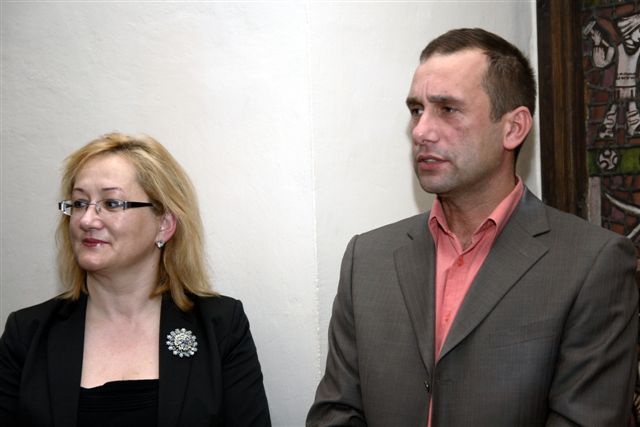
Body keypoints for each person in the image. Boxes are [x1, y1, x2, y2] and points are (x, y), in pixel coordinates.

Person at [307, 28, 639, 426]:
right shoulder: (367, 259)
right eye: (416, 110)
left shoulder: (591, 265)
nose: (421, 131)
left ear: (513, 128)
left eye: (447, 109)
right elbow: (335, 413)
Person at [0, 133, 271, 426]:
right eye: (79, 203)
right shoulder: (27, 333)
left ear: (164, 224)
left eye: (112, 203)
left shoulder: (221, 328)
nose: (86, 220)